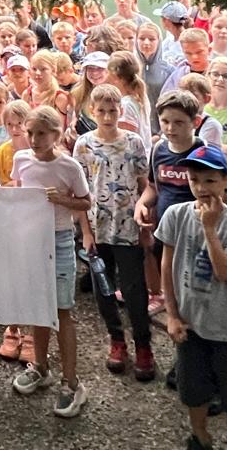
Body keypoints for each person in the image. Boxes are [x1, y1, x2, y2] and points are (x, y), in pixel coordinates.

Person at [155, 143, 227, 450]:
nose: (201, 187)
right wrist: (171, 315)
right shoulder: (175, 214)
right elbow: (167, 265)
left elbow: (226, 273)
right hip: (191, 322)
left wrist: (210, 230)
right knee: (192, 390)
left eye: (210, 180)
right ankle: (200, 436)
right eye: (195, 179)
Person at [10, 105, 92, 418]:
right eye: (29, 132)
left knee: (62, 310)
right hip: (31, 239)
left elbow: (86, 202)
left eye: (41, 133)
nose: (33, 139)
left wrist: (61, 200)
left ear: (56, 134)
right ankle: (40, 366)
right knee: (38, 307)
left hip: (58, 239)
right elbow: (18, 194)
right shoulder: (21, 159)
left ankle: (72, 382)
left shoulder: (69, 166)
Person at [75, 83, 154, 381]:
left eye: (113, 111)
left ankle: (144, 344)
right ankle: (116, 339)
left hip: (127, 227)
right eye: (102, 111)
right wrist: (85, 231)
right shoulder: (83, 144)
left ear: (120, 111)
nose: (107, 117)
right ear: (92, 112)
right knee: (103, 287)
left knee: (134, 288)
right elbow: (80, 190)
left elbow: (143, 181)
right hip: (97, 227)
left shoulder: (133, 142)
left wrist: (146, 223)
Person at [136, 90, 205, 324]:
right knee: (170, 282)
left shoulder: (203, 152)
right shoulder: (159, 150)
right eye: (165, 121)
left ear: (195, 122)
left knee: (193, 288)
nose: (170, 128)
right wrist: (141, 204)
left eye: (178, 122)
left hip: (195, 232)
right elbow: (153, 187)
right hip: (165, 229)